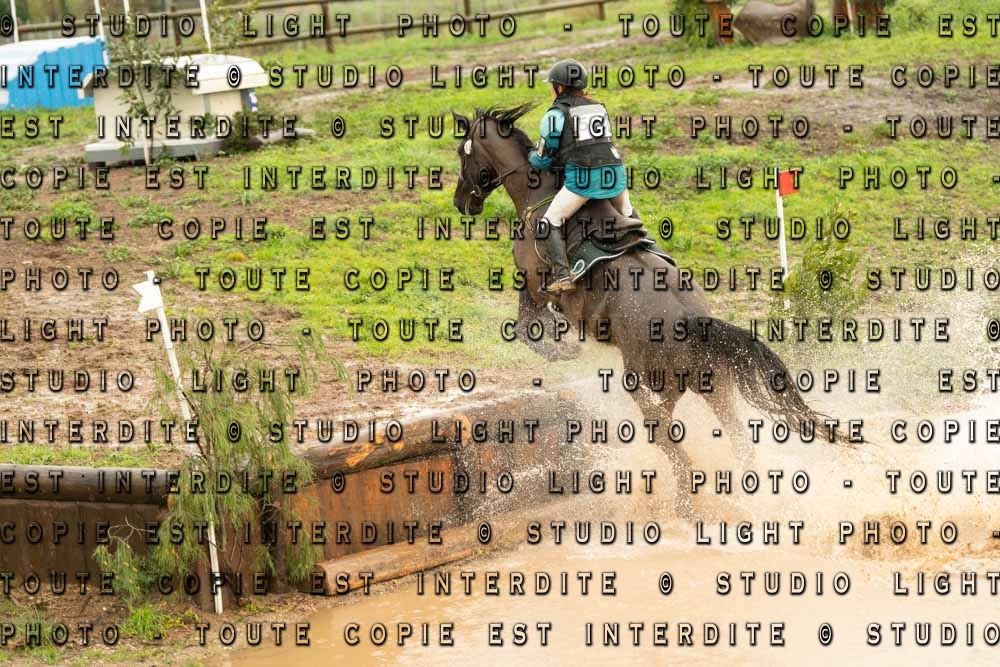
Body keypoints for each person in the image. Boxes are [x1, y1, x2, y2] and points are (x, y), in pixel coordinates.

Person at [529, 59, 638, 294]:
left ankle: (562, 276)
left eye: (552, 86)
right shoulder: (598, 107)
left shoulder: (555, 114)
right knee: (629, 214)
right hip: (616, 174)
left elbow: (544, 159)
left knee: (548, 222)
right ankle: (649, 247)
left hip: (584, 179)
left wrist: (532, 156)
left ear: (559, 87)